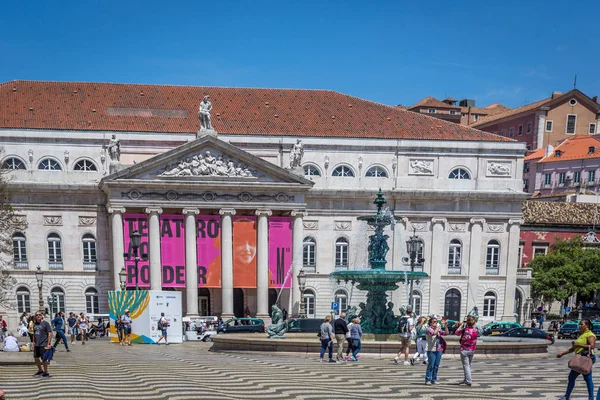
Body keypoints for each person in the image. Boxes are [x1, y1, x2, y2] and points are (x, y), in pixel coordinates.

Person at [557, 319, 596, 400]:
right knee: (577, 377)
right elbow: (573, 348)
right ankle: (567, 396)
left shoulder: (590, 334)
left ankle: (590, 397)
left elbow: (592, 346)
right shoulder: (582, 335)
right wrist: (562, 354)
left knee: (586, 378)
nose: (580, 326)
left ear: (587, 325)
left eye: (581, 324)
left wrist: (578, 345)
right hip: (580, 358)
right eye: (580, 324)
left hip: (585, 358)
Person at [455, 315, 479, 386]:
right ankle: (466, 379)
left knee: (466, 366)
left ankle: (468, 381)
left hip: (464, 350)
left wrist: (461, 325)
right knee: (469, 365)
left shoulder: (465, 330)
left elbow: (457, 333)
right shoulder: (476, 329)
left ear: (467, 323)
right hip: (472, 349)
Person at [425, 315, 449, 385]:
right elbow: (433, 333)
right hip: (431, 349)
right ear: (430, 323)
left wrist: (445, 325)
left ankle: (434, 379)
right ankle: (427, 379)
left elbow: (446, 333)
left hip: (439, 349)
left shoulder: (438, 329)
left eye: (436, 322)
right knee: (431, 365)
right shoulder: (428, 329)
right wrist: (440, 325)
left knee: (436, 365)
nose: (436, 323)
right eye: (434, 322)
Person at [32, 311, 53, 378]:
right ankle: (40, 370)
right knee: (36, 358)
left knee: (44, 359)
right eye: (36, 315)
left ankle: (46, 372)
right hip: (37, 344)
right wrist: (33, 343)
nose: (38, 316)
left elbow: (49, 333)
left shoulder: (45, 324)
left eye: (39, 315)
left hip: (43, 343)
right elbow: (34, 334)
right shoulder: (35, 324)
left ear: (42, 316)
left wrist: (49, 343)